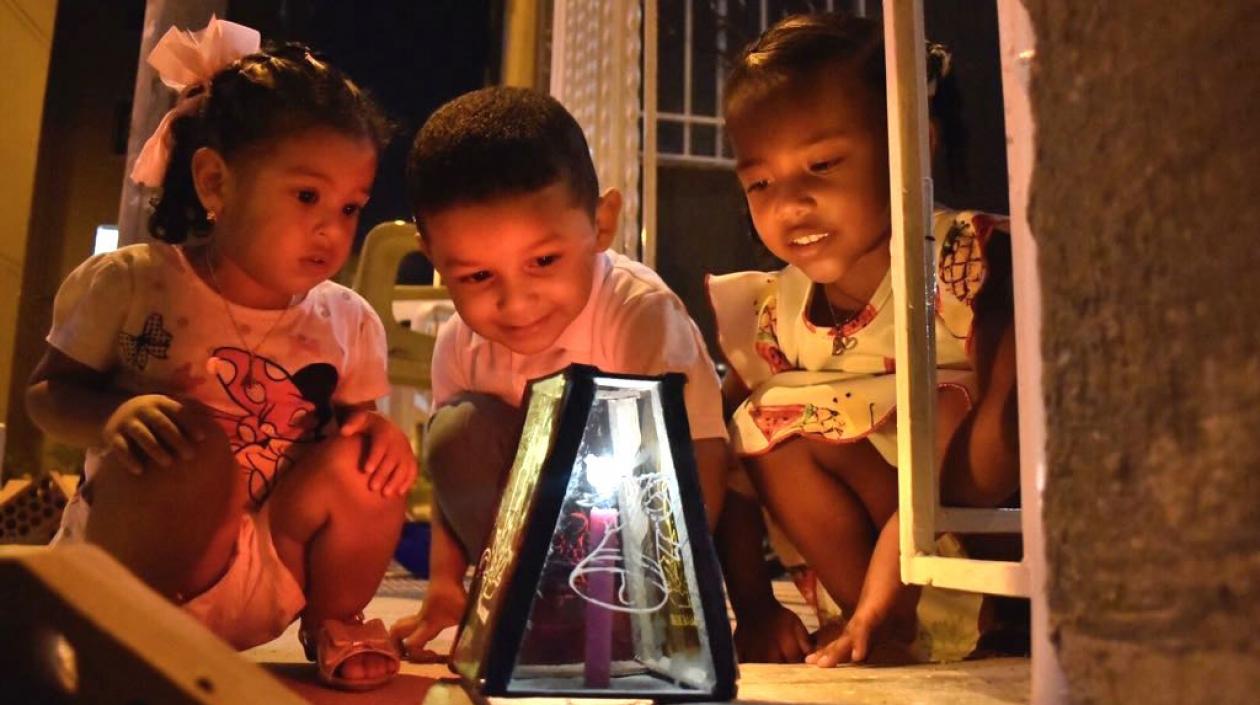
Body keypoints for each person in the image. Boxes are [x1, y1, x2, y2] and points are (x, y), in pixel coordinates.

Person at [25, 18, 411, 691]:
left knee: (364, 468)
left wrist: (376, 435)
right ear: (215, 183)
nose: (332, 227)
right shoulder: (135, 284)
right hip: (145, 565)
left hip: (271, 562)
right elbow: (47, 395)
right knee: (187, 440)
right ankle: (133, 638)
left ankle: (334, 620)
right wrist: (113, 416)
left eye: (351, 206)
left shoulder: (347, 321)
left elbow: (347, 429)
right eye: (307, 195)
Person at [709, 12, 1020, 667]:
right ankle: (875, 625)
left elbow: (1006, 437)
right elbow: (719, 455)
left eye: (822, 164)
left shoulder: (967, 262)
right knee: (756, 416)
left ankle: (992, 616)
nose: (791, 204)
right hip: (873, 585)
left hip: (982, 552)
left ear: (915, 142)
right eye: (760, 182)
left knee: (957, 410)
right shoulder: (776, 312)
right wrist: (755, 607)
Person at [388, 86, 730, 661]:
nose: (516, 304)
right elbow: (453, 479)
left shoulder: (639, 314)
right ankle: (526, 609)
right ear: (433, 256)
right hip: (524, 546)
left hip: (633, 549)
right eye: (476, 277)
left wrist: (671, 591)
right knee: (456, 430)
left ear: (601, 223)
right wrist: (448, 584)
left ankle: (612, 622)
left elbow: (702, 454)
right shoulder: (461, 342)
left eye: (543, 261)